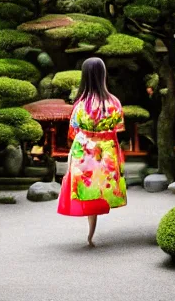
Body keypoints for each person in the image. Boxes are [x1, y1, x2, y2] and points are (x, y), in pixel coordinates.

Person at [57, 56, 127, 246]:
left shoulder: (80, 105)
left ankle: (90, 232)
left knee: (87, 189)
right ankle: (91, 233)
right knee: (100, 188)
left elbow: (73, 132)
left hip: (85, 150)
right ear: (103, 75)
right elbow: (118, 128)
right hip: (107, 151)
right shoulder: (114, 102)